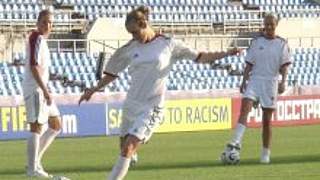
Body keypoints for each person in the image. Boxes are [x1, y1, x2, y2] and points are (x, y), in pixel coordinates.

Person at [78, 6, 241, 180]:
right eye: (130, 33)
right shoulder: (130, 48)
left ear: (144, 24)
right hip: (131, 104)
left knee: (128, 148)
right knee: (124, 148)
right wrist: (94, 89)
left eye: (134, 32)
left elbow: (200, 57)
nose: (133, 36)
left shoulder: (168, 44)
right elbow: (112, 73)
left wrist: (226, 53)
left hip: (151, 106)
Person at [221, 13, 291, 164]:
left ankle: (265, 154)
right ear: (263, 25)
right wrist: (244, 81)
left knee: (266, 121)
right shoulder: (256, 42)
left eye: (271, 24)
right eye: (267, 24)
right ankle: (236, 142)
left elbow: (285, 66)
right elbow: (249, 64)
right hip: (255, 79)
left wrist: (283, 82)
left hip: (271, 82)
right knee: (245, 108)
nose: (269, 26)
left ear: (275, 25)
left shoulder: (282, 44)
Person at [22, 10, 61, 178]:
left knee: (56, 125)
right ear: (38, 22)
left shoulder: (41, 41)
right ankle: (32, 169)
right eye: (44, 22)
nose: (48, 25)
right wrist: (44, 90)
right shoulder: (36, 38)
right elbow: (34, 66)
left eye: (50, 22)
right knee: (36, 127)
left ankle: (35, 161)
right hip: (35, 89)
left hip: (41, 88)